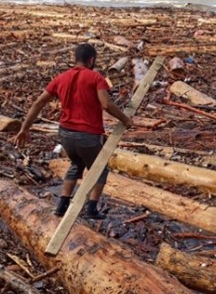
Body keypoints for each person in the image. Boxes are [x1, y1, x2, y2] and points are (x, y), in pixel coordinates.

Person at [13, 43, 133, 219]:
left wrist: (24, 128)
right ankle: (92, 209)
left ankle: (62, 204)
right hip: (88, 135)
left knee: (76, 164)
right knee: (99, 170)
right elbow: (106, 104)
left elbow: (38, 103)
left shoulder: (61, 78)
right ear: (92, 60)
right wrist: (125, 119)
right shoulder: (95, 78)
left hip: (65, 134)